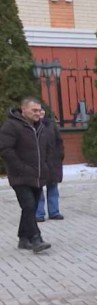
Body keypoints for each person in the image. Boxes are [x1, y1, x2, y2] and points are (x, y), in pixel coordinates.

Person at [0, 98, 52, 253]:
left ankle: (23, 239)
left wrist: (46, 166)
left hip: (37, 175)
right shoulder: (12, 125)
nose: (38, 113)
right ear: (23, 110)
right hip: (20, 175)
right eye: (34, 110)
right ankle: (36, 239)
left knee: (31, 207)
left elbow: (47, 149)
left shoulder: (40, 126)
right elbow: (5, 149)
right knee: (28, 205)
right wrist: (20, 167)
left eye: (39, 110)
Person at [36, 105, 64, 222]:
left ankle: (54, 212)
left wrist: (60, 155)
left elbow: (59, 141)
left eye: (42, 110)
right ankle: (39, 214)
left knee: (53, 188)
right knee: (38, 189)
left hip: (53, 162)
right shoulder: (31, 126)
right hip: (38, 162)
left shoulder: (51, 124)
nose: (40, 112)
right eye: (38, 110)